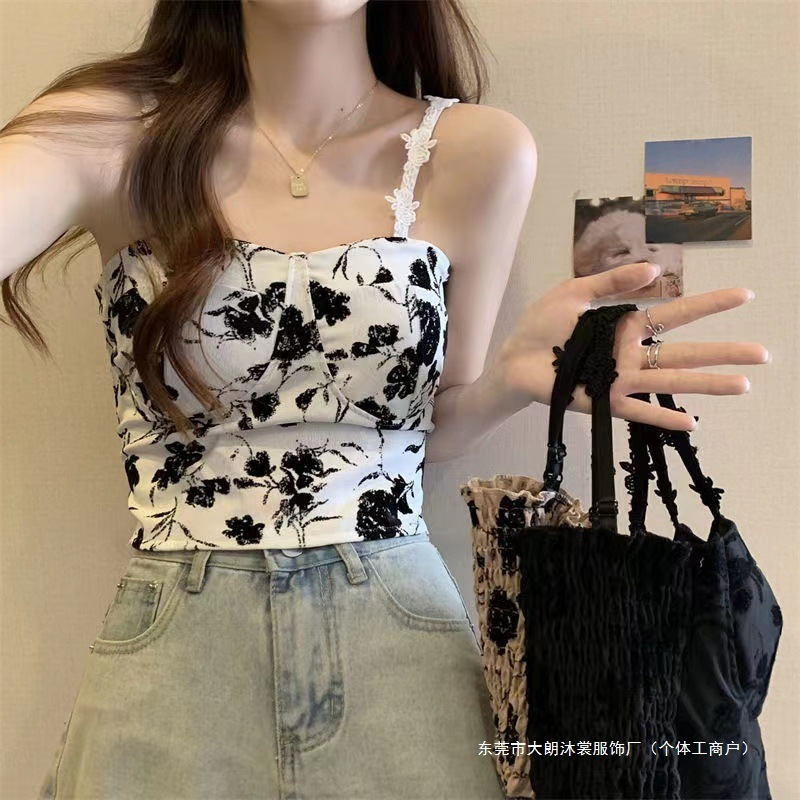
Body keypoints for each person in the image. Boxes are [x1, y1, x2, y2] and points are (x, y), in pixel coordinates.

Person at [0, 1, 769, 798]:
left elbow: (425, 431)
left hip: (397, 644)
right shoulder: (110, 134)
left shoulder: (477, 151)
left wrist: (509, 381)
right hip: (176, 654)